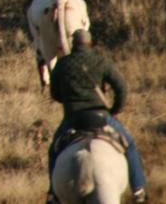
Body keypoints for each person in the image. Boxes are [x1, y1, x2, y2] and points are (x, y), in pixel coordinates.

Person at [46, 29, 147, 203]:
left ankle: (53, 194)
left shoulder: (63, 64)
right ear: (90, 43)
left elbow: (54, 93)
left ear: (73, 44)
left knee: (53, 151)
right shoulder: (101, 61)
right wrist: (115, 108)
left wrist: (69, 97)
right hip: (101, 116)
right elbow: (121, 87)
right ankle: (138, 190)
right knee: (130, 144)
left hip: (73, 118)